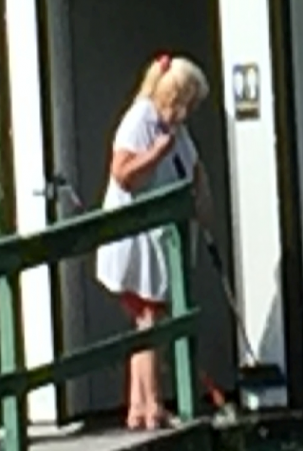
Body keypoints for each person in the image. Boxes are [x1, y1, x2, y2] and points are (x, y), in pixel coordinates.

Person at [97, 53, 215, 430]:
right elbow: (122, 174)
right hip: (134, 240)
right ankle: (152, 407)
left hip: (163, 239)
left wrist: (203, 205)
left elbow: (194, 168)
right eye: (189, 102)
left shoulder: (177, 128)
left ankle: (138, 407)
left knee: (148, 321)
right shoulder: (139, 121)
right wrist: (155, 154)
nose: (190, 112)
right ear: (175, 97)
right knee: (150, 321)